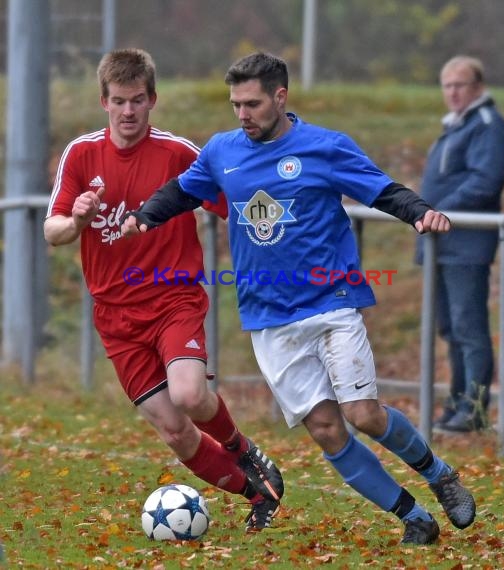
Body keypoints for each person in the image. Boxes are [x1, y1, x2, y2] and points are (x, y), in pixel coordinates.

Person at [121, 52, 476, 545]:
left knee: (363, 414)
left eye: (251, 103)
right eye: (234, 105)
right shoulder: (223, 151)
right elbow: (183, 191)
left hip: (330, 303)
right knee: (328, 430)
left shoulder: (325, 147)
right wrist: (145, 215)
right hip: (268, 320)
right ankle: (412, 516)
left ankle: (440, 475)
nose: (241, 114)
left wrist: (419, 212)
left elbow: (380, 190)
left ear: (280, 97)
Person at [43, 48, 284, 533]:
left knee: (191, 396)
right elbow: (53, 231)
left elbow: (235, 206)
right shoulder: (81, 153)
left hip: (173, 299)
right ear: (103, 102)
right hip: (115, 316)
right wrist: (80, 220)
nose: (128, 111)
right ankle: (257, 493)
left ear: (152, 99)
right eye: (118, 101)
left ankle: (245, 451)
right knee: (174, 430)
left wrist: (279, 240)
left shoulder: (178, 154)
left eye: (137, 100)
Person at [417, 56, 504, 433]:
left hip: (466, 245)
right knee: (451, 329)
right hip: (443, 244)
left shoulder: (486, 125)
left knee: (469, 329)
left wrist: (435, 210)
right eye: (447, 85)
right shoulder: (456, 126)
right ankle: (457, 405)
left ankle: (474, 409)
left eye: (460, 85)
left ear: (478, 87)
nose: (453, 92)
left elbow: (485, 182)